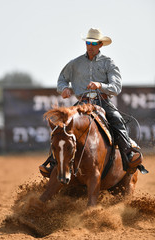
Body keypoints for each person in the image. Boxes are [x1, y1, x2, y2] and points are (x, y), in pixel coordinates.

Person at [39, 28, 148, 177]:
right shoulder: (75, 63)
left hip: (102, 102)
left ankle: (128, 156)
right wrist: (64, 88)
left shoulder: (108, 63)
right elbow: (62, 79)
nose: (90, 46)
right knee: (62, 127)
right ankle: (53, 163)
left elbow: (116, 87)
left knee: (117, 120)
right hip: (82, 103)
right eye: (88, 42)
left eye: (93, 43)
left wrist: (100, 85)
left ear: (100, 44)